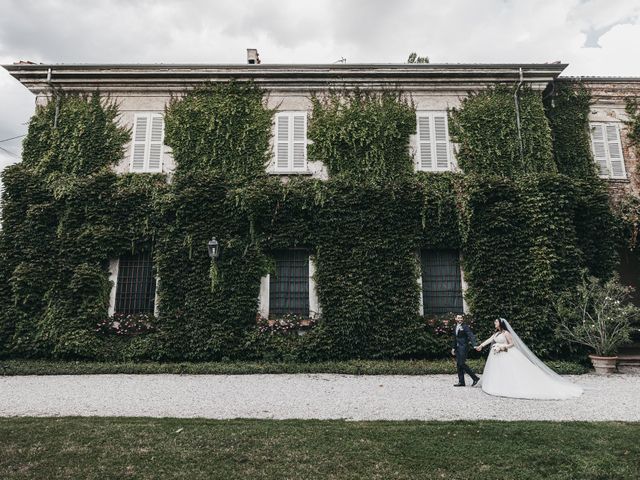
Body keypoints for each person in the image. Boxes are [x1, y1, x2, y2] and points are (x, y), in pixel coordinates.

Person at [475, 318, 583, 400]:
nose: (495, 324)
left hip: (506, 353)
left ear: (501, 324)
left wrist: (502, 346)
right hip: (496, 355)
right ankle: (496, 385)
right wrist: (481, 346)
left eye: (496, 322)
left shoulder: (506, 333)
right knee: (499, 371)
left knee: (511, 371)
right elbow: (490, 339)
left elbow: (512, 344)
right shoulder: (496, 333)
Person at [451, 313, 480, 387]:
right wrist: (453, 348)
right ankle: (461, 382)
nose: (460, 319)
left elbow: (471, 335)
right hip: (457, 348)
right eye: (458, 318)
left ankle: (475, 378)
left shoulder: (465, 326)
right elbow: (455, 338)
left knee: (461, 363)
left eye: (461, 318)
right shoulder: (455, 327)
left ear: (462, 319)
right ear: (456, 319)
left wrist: (474, 345)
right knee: (459, 365)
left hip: (463, 347)